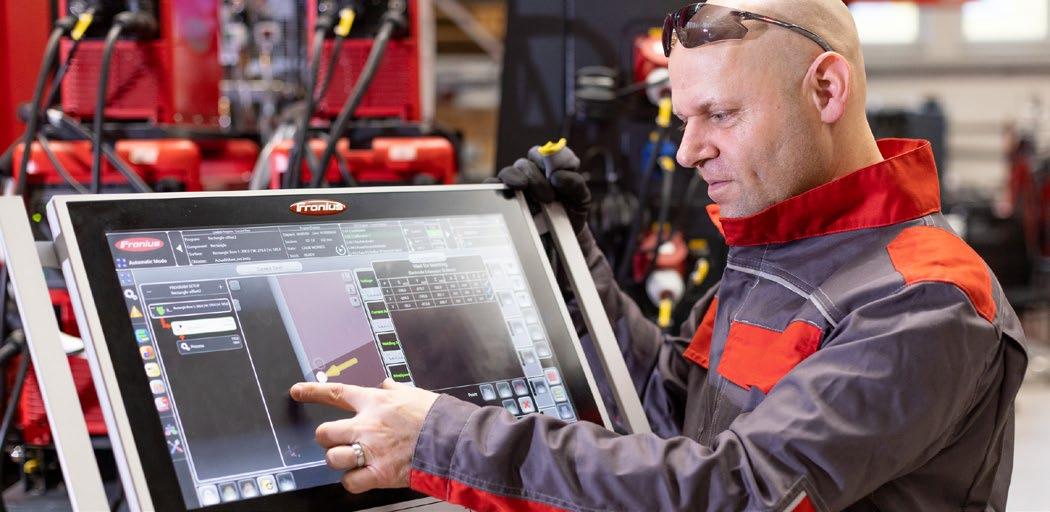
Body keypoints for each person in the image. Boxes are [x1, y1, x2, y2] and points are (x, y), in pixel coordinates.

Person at [289, 0, 1029, 510]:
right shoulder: (781, 251)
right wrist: (570, 264)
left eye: (720, 114)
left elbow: (735, 492)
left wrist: (443, 440)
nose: (686, 151)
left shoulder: (925, 299)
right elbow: (677, 411)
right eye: (683, 119)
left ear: (827, 89)